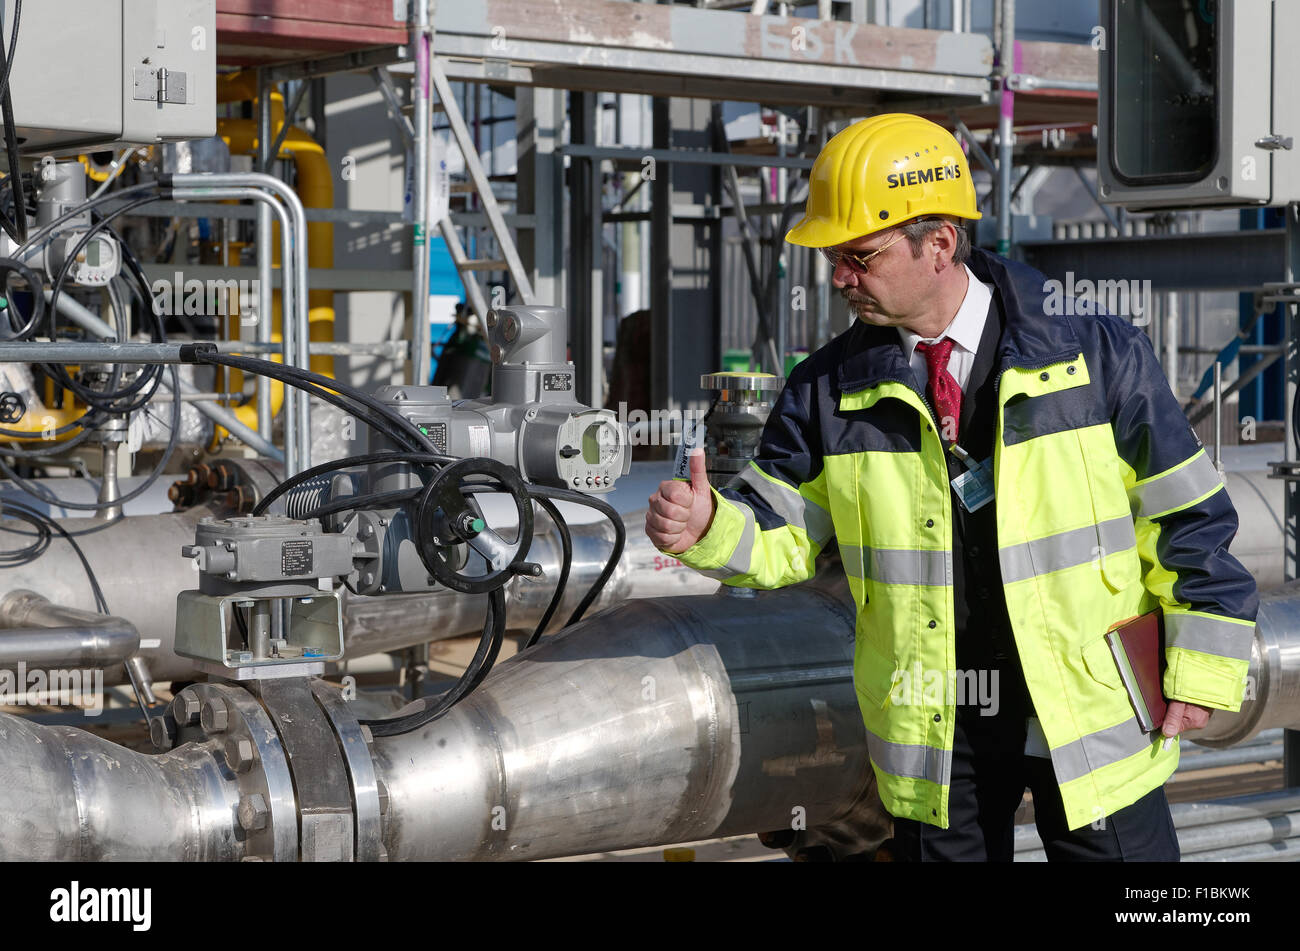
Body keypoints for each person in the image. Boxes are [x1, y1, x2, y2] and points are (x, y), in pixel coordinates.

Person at [644, 113, 1258, 862]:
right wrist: (710, 525)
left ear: (938, 243)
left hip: (1088, 701)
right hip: (938, 721)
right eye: (835, 258)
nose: (840, 276)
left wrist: (1201, 670)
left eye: (859, 256)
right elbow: (784, 535)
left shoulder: (1097, 358)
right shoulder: (825, 390)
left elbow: (1189, 518)